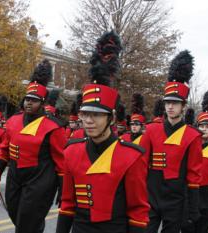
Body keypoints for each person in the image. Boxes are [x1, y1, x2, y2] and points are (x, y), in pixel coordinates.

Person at [56, 31, 150, 233]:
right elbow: (67, 205)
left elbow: (138, 211)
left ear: (112, 118)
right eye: (85, 114)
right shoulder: (71, 152)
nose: (88, 121)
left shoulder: (132, 156)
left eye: (96, 115)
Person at [0, 59, 66, 233]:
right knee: (15, 214)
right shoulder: (13, 121)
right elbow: (4, 149)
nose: (29, 103)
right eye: (27, 99)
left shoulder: (53, 126)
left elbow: (61, 160)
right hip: (14, 175)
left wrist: (62, 187)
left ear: (42, 103)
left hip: (40, 180)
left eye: (34, 100)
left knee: (27, 223)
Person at [143, 50, 202, 233]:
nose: (170, 106)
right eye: (167, 102)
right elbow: (141, 165)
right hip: (150, 197)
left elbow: (193, 176)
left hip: (176, 201)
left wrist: (193, 209)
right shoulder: (151, 129)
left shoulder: (193, 135)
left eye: (175, 103)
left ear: (183, 106)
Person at [190, 90, 208, 233]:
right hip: (190, 197)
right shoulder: (189, 147)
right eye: (201, 126)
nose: (203, 129)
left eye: (207, 127)